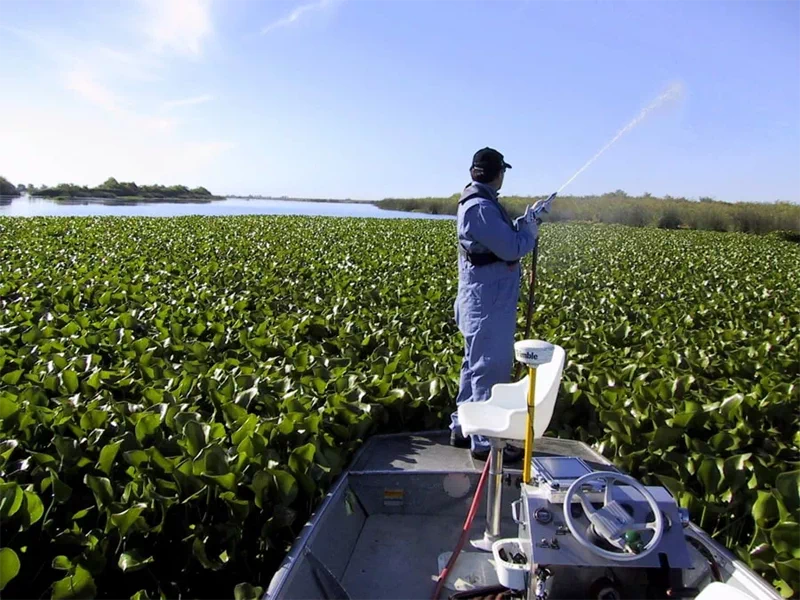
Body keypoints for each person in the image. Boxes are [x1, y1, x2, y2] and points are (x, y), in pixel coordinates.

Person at [450, 147, 539, 460]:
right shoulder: (481, 207)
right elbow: (512, 247)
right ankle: (485, 439)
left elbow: (498, 239)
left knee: (473, 364)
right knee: (489, 367)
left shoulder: (480, 203)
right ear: (497, 173)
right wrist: (529, 228)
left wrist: (523, 222)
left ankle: (463, 426)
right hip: (487, 303)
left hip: (483, 299)